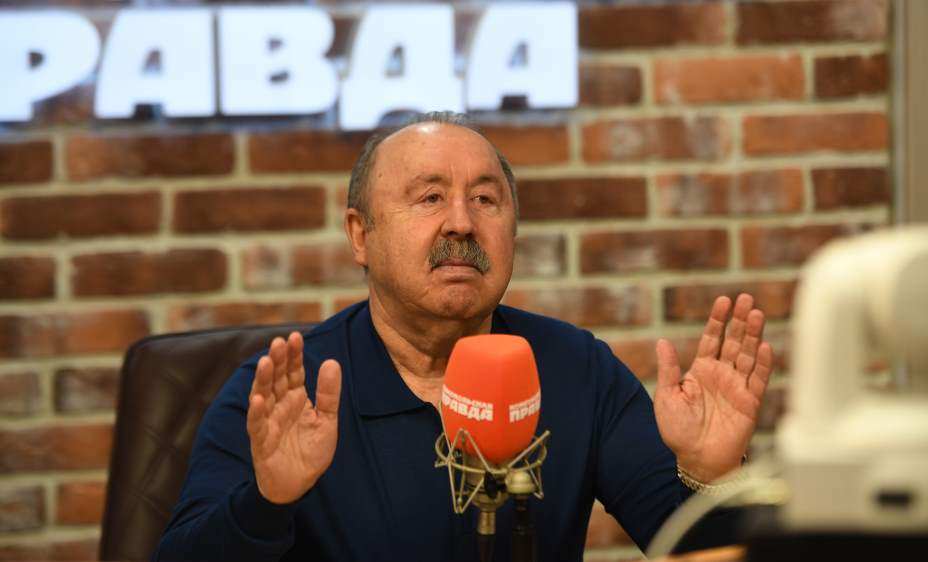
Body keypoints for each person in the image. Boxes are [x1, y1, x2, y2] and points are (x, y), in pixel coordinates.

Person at [153, 113, 773, 562]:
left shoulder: (576, 368)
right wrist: (267, 503)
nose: (461, 222)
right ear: (361, 235)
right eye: (430, 197)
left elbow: (692, 547)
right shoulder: (290, 393)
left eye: (485, 199)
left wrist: (712, 475)